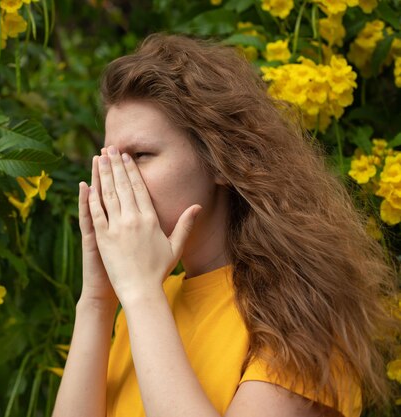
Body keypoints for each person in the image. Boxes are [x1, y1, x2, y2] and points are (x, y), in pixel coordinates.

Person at [51, 33, 396, 417]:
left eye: (140, 155)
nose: (114, 179)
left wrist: (140, 293)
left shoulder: (299, 311)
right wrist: (98, 301)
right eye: (109, 159)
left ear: (219, 161)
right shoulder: (146, 300)